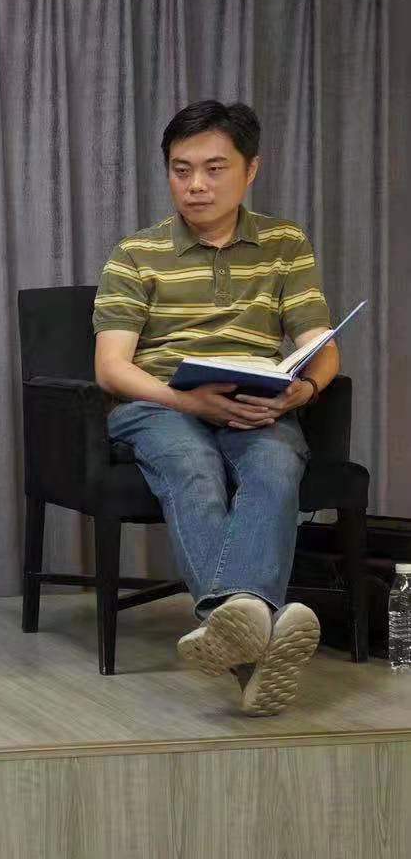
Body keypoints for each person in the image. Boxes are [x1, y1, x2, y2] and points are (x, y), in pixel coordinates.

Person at [94, 101, 336, 716]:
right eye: (181, 171)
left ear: (251, 170)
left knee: (275, 464)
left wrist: (303, 390)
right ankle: (256, 637)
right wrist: (186, 400)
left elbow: (321, 345)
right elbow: (112, 367)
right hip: (159, 402)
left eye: (214, 169)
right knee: (192, 465)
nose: (195, 185)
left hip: (254, 402)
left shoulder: (284, 244)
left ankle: (240, 638)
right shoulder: (136, 253)